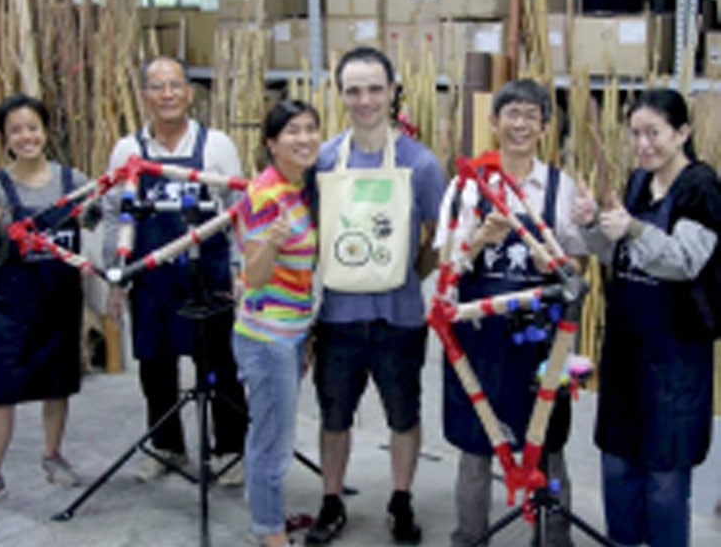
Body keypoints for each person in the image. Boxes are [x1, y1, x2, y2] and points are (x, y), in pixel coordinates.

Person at [439, 79, 588, 547]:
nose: (520, 124)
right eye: (512, 114)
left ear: (544, 126)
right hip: (478, 338)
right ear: (493, 121)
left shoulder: (561, 188)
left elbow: (578, 267)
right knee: (476, 445)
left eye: (531, 115)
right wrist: (481, 237)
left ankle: (555, 536)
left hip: (540, 339)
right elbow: (446, 261)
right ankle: (470, 535)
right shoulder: (466, 185)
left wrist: (558, 263)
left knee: (550, 445)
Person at [306, 46, 445, 545]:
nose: (364, 99)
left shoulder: (421, 163)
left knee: (403, 414)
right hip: (339, 316)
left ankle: (401, 499)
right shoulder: (323, 161)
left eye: (373, 88)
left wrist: (408, 271)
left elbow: (439, 237)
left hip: (400, 318)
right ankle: (331, 499)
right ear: (340, 95)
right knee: (334, 415)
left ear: (391, 91)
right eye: (353, 90)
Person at [572, 88, 721, 547]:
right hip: (625, 349)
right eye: (635, 133)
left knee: (663, 475)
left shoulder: (700, 187)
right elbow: (619, 257)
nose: (643, 144)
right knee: (617, 464)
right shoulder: (639, 182)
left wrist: (633, 228)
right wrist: (592, 224)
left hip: (674, 355)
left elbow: (683, 260)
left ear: (682, 133)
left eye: (653, 132)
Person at [103, 55, 247, 483]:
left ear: (189, 92)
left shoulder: (216, 145)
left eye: (175, 85)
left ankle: (230, 448)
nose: (167, 94)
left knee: (220, 364)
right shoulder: (128, 151)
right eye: (157, 86)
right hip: (152, 279)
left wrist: (241, 272)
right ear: (144, 95)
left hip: (210, 276)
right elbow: (115, 216)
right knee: (155, 366)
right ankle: (167, 447)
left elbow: (239, 211)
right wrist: (117, 277)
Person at [0, 93, 87, 507]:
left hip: (60, 302)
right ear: (5, 138)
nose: (27, 137)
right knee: (3, 394)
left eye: (33, 128)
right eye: (16, 130)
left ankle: (53, 456)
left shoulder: (72, 181)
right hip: (15, 308)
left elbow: (94, 218)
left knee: (57, 388)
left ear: (45, 132)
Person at [232, 99, 320, 547]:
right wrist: (271, 242)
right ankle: (269, 533)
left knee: (271, 430)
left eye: (310, 129)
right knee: (272, 439)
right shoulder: (265, 195)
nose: (304, 138)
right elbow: (255, 277)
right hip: (266, 337)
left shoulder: (297, 187)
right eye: (292, 131)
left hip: (290, 331)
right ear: (271, 143)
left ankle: (268, 516)